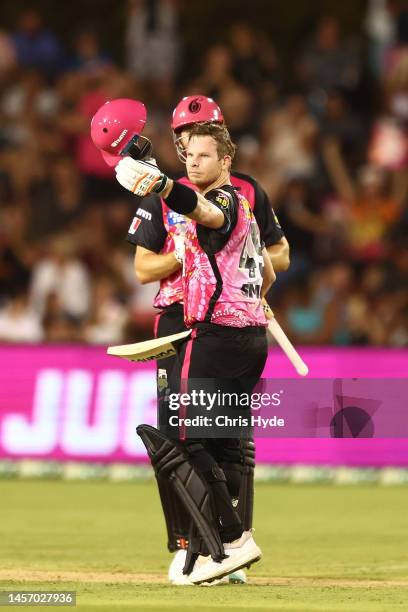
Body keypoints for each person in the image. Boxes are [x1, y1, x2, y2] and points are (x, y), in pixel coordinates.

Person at [124, 96, 289, 583]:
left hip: (216, 328)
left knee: (202, 439)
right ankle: (200, 545)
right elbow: (142, 269)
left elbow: (207, 213)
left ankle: (227, 541)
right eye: (186, 145)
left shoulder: (232, 196)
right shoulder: (189, 196)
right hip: (201, 323)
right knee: (202, 437)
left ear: (224, 150)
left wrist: (161, 185)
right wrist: (250, 285)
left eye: (202, 142)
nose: (191, 153)